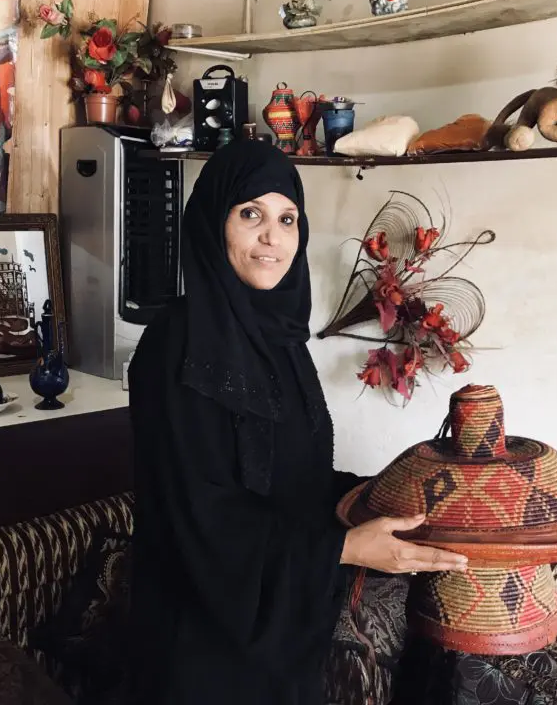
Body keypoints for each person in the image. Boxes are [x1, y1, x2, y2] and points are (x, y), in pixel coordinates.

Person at [127, 139, 468, 705]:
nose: (272, 237)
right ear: (214, 224)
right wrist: (342, 549)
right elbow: (199, 513)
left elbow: (293, 476)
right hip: (198, 651)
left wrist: (379, 498)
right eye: (250, 214)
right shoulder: (176, 345)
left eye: (288, 218)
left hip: (281, 646)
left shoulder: (284, 342)